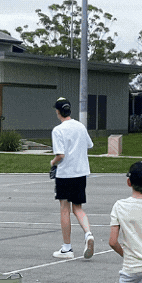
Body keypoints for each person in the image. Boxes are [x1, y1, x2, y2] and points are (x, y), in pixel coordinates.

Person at [50, 97, 95, 260]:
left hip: (65, 173)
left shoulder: (58, 130)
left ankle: (67, 248)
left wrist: (52, 162)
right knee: (78, 208)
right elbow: (89, 144)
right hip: (81, 172)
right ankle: (88, 234)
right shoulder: (80, 126)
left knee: (64, 208)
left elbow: (60, 154)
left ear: (58, 111)